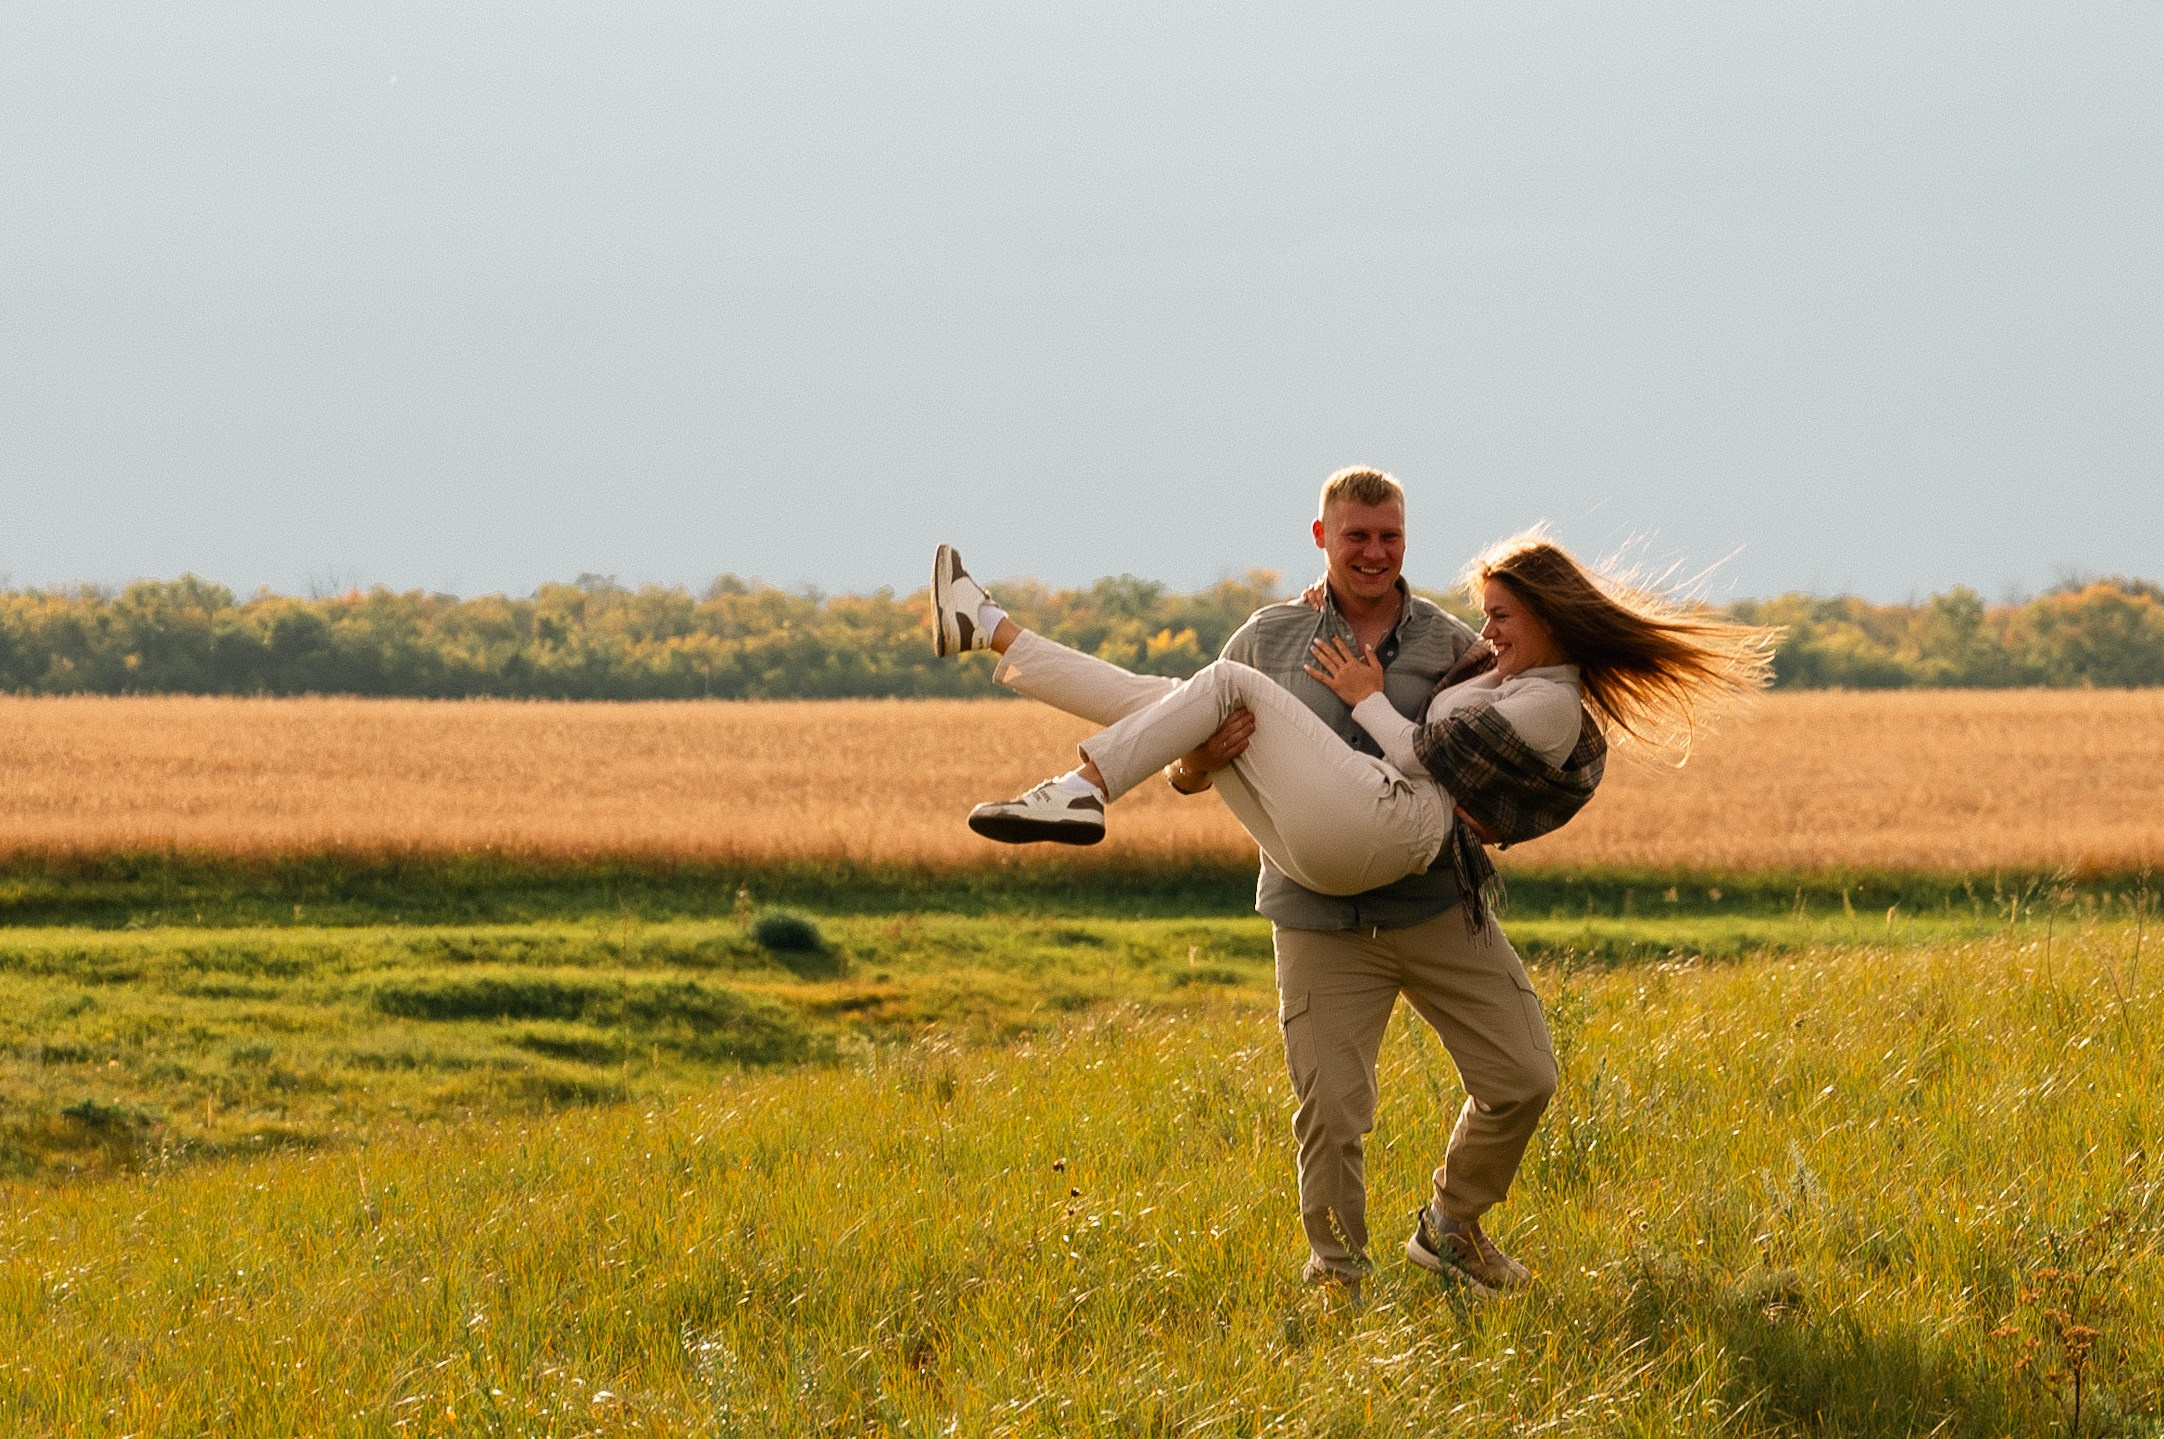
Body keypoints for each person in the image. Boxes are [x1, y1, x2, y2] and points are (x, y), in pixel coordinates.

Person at [931, 467, 1774, 1296]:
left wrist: (1499, 797)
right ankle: (1336, 1278)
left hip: (1430, 893)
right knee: (1329, 1110)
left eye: (1390, 536)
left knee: (1523, 1076)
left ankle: (1453, 1227)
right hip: (1316, 894)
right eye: (1357, 536)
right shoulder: (1270, 635)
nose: (1375, 552)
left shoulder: (1459, 645)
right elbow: (1182, 742)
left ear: (1406, 541)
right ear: (1322, 539)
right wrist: (1195, 765)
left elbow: (1513, 747)